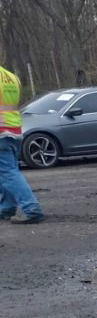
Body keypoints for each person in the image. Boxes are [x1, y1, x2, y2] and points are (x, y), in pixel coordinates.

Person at [0, 64, 44, 224]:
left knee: (7, 173)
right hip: (13, 128)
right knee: (8, 172)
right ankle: (7, 208)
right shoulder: (11, 77)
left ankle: (31, 209)